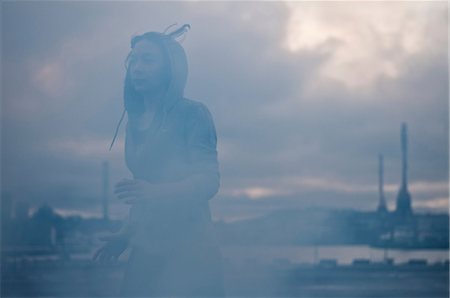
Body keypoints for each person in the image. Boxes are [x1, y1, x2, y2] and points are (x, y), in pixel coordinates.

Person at [93, 24, 225, 297]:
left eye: (148, 60)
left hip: (190, 250)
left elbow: (208, 181)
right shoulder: (134, 122)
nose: (137, 68)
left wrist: (155, 192)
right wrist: (125, 236)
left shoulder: (193, 113)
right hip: (147, 247)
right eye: (134, 60)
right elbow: (144, 194)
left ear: (170, 69)